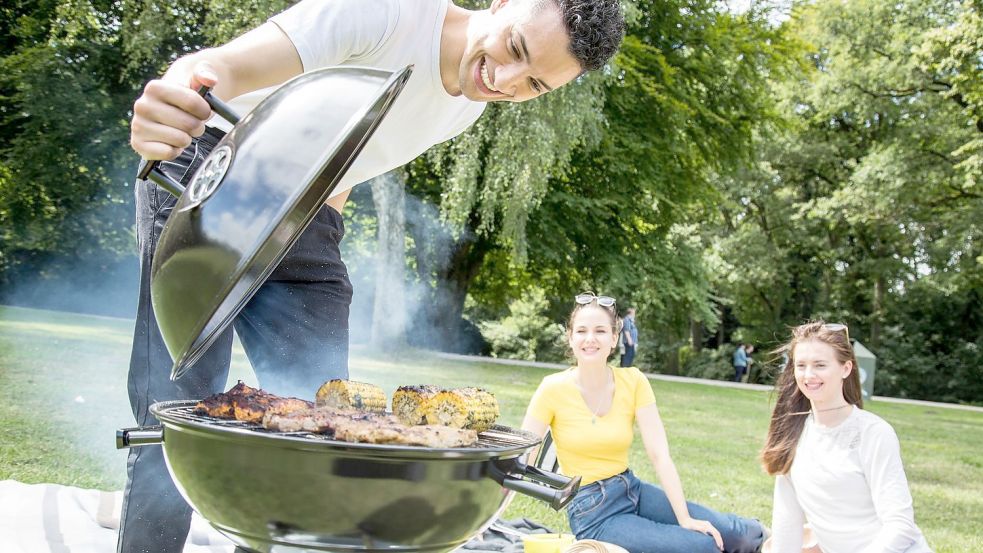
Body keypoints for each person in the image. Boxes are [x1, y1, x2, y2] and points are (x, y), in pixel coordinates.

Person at [120, 1, 626, 552]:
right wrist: (172, 94)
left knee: (323, 418)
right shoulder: (387, 12)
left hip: (307, 212)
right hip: (208, 167)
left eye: (534, 84)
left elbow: (342, 157)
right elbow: (218, 68)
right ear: (502, 3)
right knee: (174, 403)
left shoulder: (469, 105)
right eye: (515, 47)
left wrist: (320, 244)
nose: (503, 81)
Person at [521, 292, 766, 553]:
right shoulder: (552, 388)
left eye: (600, 331)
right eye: (581, 331)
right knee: (703, 546)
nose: (590, 339)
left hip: (631, 489)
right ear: (570, 337)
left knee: (734, 535)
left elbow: (659, 455)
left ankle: (777, 538)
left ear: (614, 338)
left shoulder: (633, 381)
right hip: (594, 513)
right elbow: (521, 457)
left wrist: (684, 518)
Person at [760, 322, 931, 553]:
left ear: (846, 368)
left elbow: (900, 526)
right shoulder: (791, 435)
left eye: (820, 365)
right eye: (801, 365)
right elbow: (787, 527)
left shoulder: (873, 433)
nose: (809, 375)